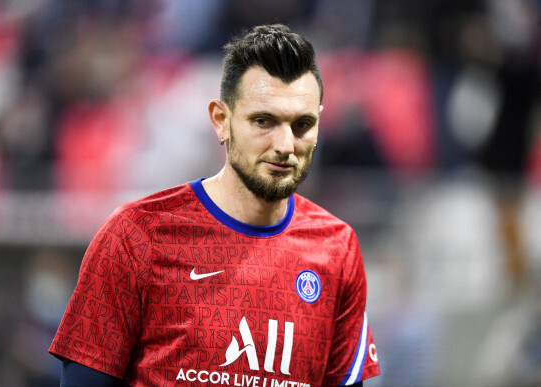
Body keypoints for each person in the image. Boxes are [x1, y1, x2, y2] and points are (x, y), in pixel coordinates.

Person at [49, 24, 380, 386]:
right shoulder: (135, 235)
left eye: (302, 124)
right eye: (263, 121)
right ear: (222, 121)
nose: (286, 144)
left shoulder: (337, 248)